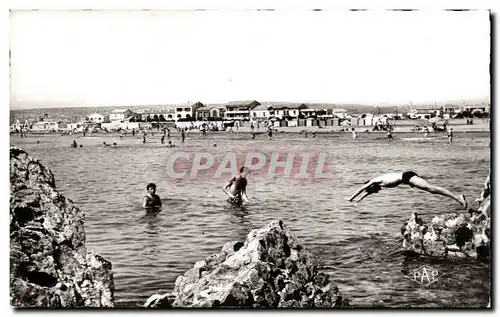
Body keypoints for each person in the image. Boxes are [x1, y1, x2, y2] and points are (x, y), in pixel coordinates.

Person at [347, 171, 467, 209]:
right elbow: (367, 193)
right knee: (431, 189)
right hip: (407, 178)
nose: (377, 192)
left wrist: (351, 198)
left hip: (407, 177)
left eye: (375, 191)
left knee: (431, 188)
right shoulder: (377, 184)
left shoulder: (373, 181)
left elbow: (361, 189)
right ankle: (457, 198)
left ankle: (458, 198)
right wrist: (358, 201)